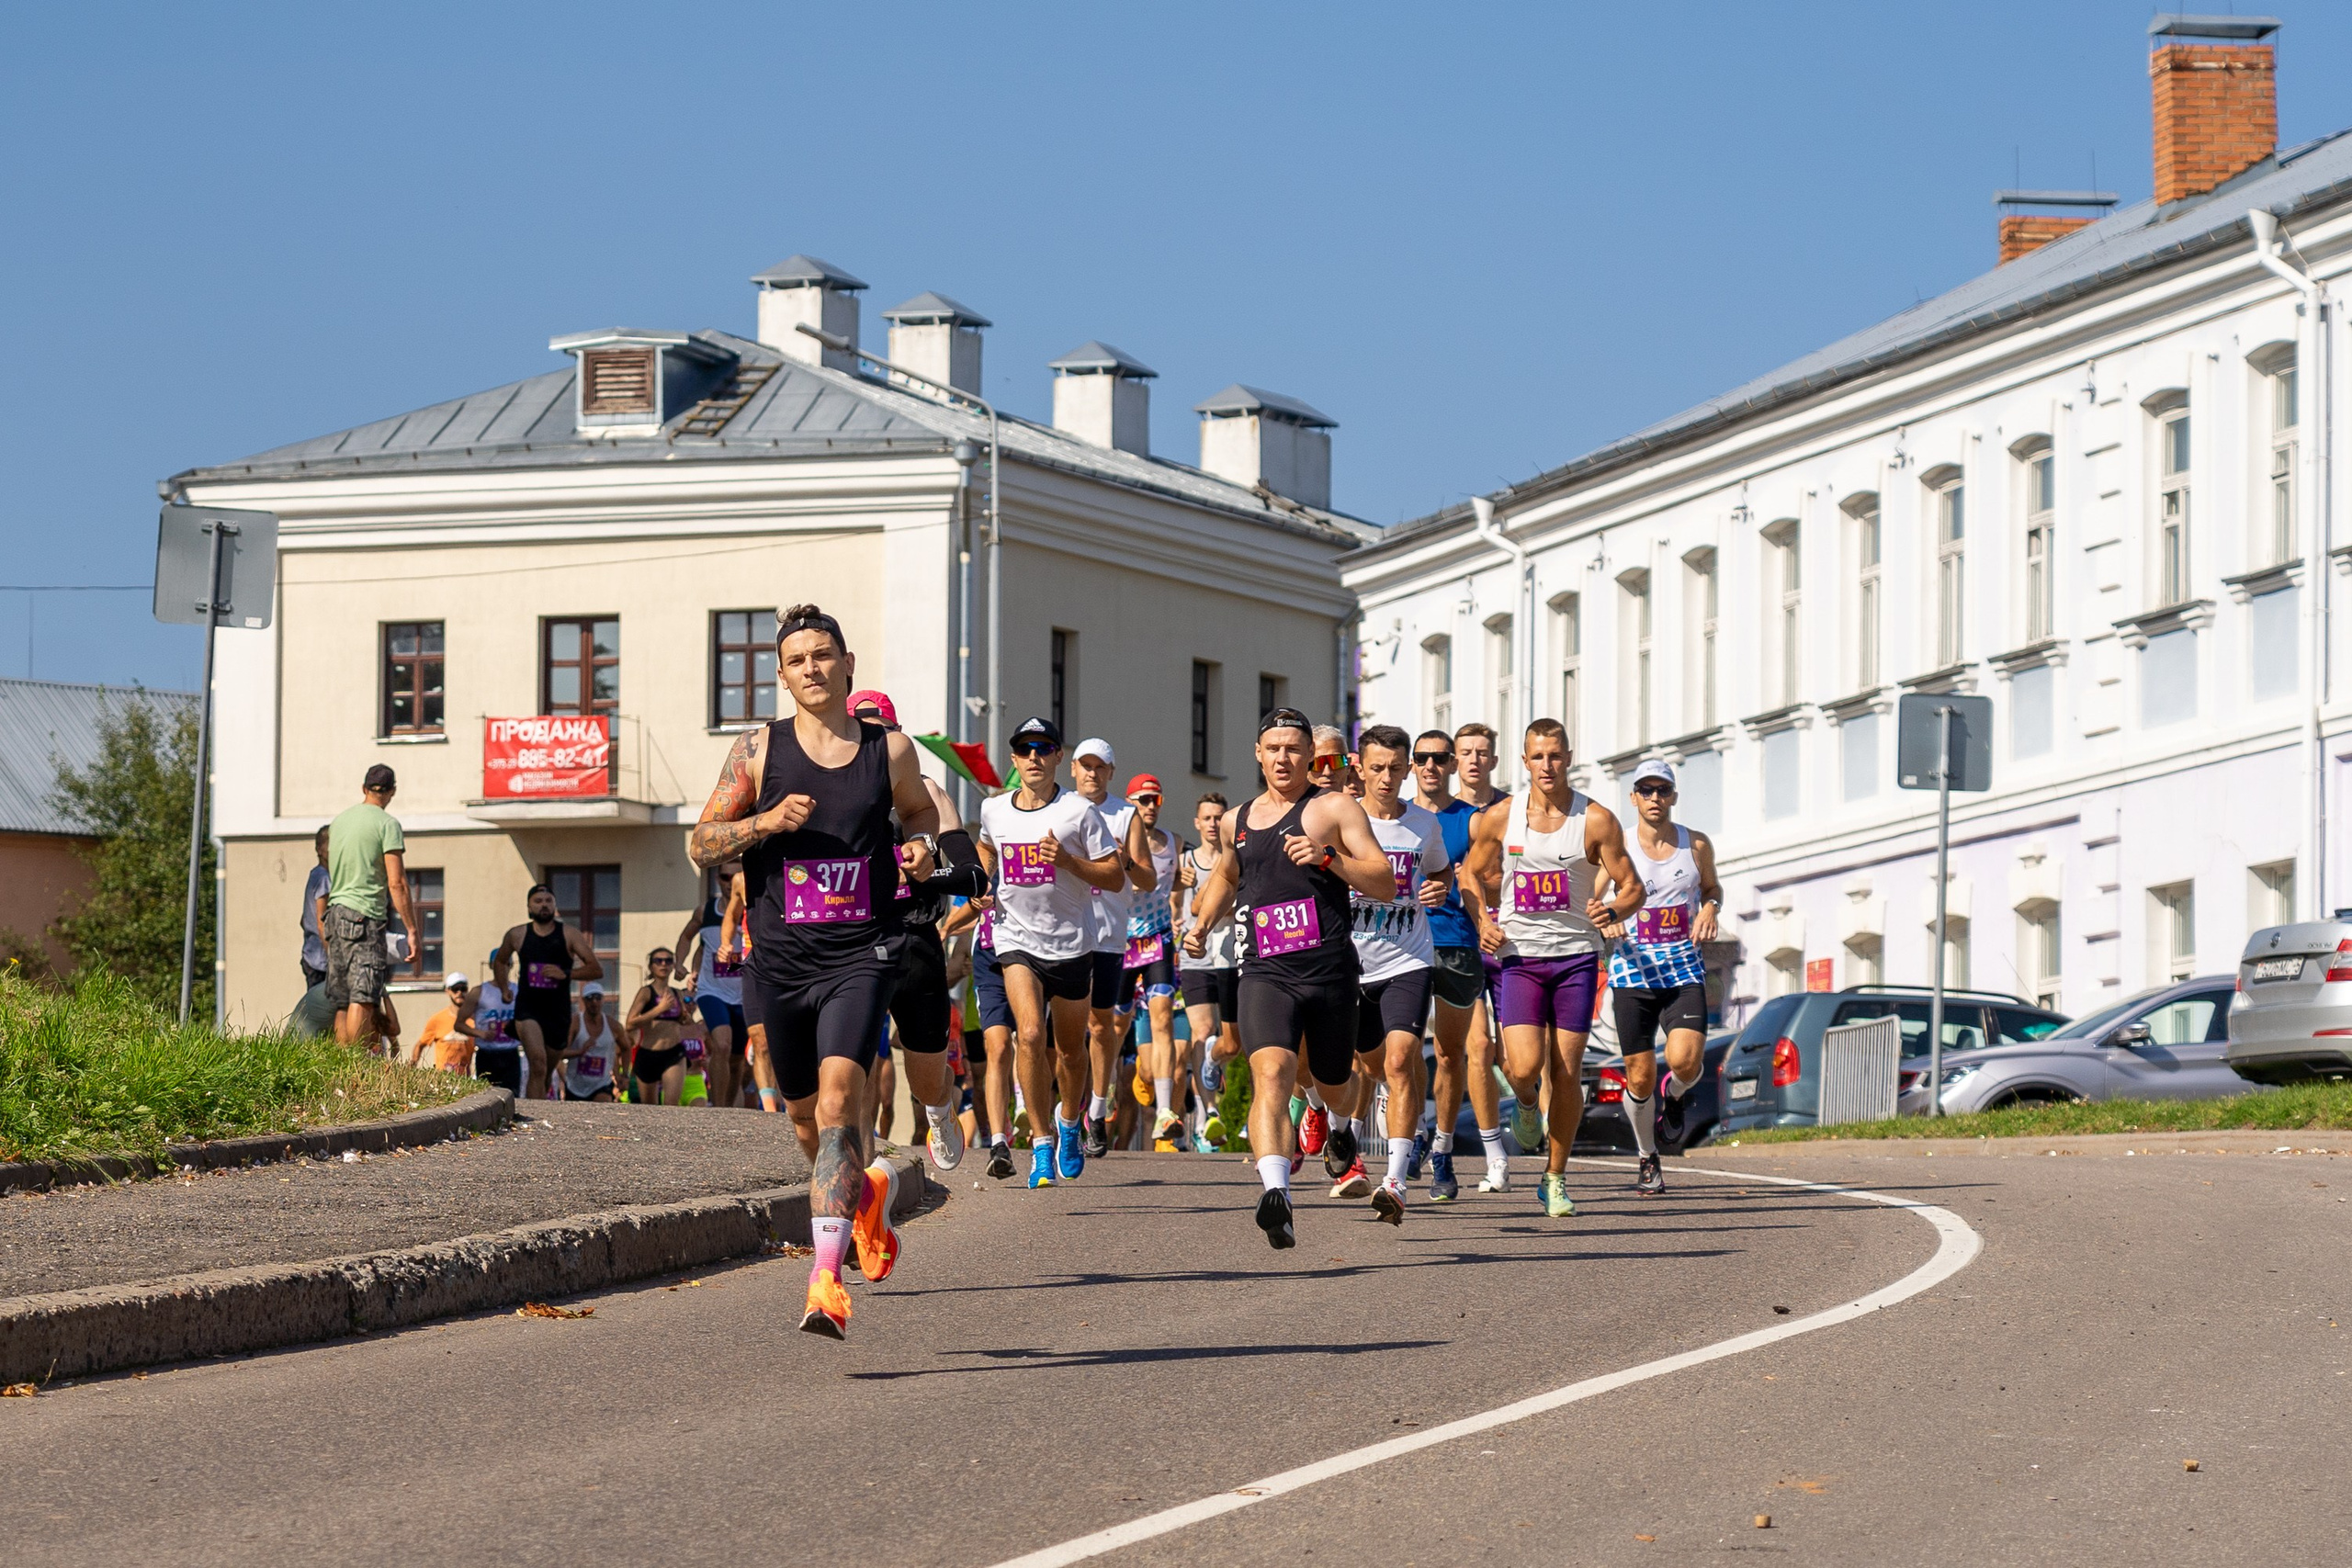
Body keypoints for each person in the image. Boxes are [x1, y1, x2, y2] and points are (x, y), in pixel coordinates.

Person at [688, 604, 942, 1340]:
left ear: (848, 662)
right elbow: (701, 842)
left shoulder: (887, 750)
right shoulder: (757, 752)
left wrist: (921, 850)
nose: (813, 669)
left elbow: (921, 814)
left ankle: (825, 1280)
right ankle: (863, 1196)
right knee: (804, 1122)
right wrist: (764, 823)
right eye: (798, 660)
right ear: (781, 674)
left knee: (838, 1106)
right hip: (780, 962)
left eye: (824, 655)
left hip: (861, 954)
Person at [1182, 707, 1398, 1250]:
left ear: (1310, 757)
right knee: (1273, 1071)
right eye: (1272, 748)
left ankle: (1341, 1127)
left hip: (1328, 972)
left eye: (1293, 749)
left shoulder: (1334, 808)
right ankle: (1276, 1192)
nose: (1282, 758)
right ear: (1258, 755)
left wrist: (1329, 859)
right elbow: (1229, 873)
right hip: (1264, 970)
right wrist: (1202, 923)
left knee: (1335, 1084)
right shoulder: (1237, 819)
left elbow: (1385, 883)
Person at [1459, 718, 1645, 1219]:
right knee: (1522, 1067)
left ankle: (1555, 1178)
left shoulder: (1597, 820)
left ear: (1568, 757)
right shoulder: (1502, 816)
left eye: (1556, 756)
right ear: (1524, 761)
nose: (1547, 765)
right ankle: (1522, 1102)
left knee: (1564, 1073)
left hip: (1575, 959)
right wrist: (1481, 919)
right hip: (1520, 957)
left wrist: (1615, 910)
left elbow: (1633, 887)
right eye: (1538, 756)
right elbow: (1470, 875)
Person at [977, 716, 1125, 1189]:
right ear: (1015, 759)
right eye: (1025, 750)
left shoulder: (1079, 812)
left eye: (1044, 748)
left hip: (1072, 944)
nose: (1035, 757)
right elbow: (986, 850)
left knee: (1070, 1052)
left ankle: (1068, 1122)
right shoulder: (994, 810)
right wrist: (981, 885)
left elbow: (1114, 876)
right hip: (1015, 939)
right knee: (1028, 1033)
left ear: (1059, 756)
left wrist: (1067, 861)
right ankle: (1041, 1144)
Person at [850, 688, 987, 1173]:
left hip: (915, 938)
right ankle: (861, 1171)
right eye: (863, 734)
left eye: (883, 734)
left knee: (926, 1074)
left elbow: (974, 876)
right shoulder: (836, 797)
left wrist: (931, 874)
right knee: (856, 1065)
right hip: (855, 942)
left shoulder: (927, 791)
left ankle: (939, 1110)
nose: (875, 746)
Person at [1343, 726, 1453, 1223]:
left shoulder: (1424, 825)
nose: (1386, 778)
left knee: (1400, 1060)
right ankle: (1361, 1124)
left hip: (1409, 958)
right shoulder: (1340, 821)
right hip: (1351, 962)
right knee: (1370, 1067)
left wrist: (1437, 889)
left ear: (1408, 769)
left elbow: (1439, 872)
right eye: (1377, 767)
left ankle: (1396, 1180)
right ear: (1360, 768)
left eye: (1395, 767)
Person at [1607, 760, 1724, 1194]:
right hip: (1632, 972)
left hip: (1681, 969)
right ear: (1633, 797)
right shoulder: (1617, 847)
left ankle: (1674, 1098)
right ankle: (1646, 1156)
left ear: (1674, 796)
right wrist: (1606, 919)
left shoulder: (1695, 845)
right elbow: (1591, 896)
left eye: (1663, 790)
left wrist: (1711, 907)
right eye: (1646, 790)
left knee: (1685, 1062)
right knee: (1638, 1078)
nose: (1655, 798)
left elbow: (1712, 889)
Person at [1070, 737, 1158, 1158]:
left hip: (1108, 934)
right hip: (1064, 932)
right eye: (1085, 766)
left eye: (1099, 767)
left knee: (1101, 1025)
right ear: (1072, 769)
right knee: (1063, 1029)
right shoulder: (1062, 808)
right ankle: (1069, 1110)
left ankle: (1099, 1109)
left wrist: (1123, 861)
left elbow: (1148, 880)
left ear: (1111, 773)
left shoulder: (1126, 815)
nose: (1091, 773)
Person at [1408, 730, 1486, 1201]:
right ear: (1413, 765)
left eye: (1440, 758)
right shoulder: (1398, 818)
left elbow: (1492, 879)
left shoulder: (1472, 821)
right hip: (1406, 945)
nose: (1431, 766)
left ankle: (1441, 1146)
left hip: (1458, 944)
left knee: (1449, 1054)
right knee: (1403, 1048)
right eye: (1423, 758)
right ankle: (1415, 1131)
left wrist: (1472, 885)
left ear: (1453, 765)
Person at [323, 765, 421, 1053]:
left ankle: (340, 1065)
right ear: (392, 791)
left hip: (335, 913)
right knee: (363, 995)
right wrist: (412, 929)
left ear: (364, 788)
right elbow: (397, 883)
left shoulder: (339, 822)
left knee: (342, 999)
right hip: (364, 916)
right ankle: (356, 1066)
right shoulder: (387, 824)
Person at [1114, 774, 1186, 1150]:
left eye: (1155, 800)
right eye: (1143, 800)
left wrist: (1183, 882)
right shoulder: (1115, 840)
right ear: (1129, 803)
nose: (1150, 806)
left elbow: (1186, 877)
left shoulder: (1174, 842)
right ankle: (1104, 1096)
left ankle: (1163, 1112)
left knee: (1162, 1017)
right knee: (1115, 1023)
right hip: (1122, 940)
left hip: (1159, 938)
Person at [496, 884, 603, 1100]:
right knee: (538, 1063)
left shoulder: (569, 934)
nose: (543, 905)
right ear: (529, 907)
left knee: (545, 1073)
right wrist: (504, 988)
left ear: (554, 906)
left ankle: (539, 1103)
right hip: (528, 1010)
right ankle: (532, 1119)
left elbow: (596, 969)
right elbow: (500, 960)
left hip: (558, 1012)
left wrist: (565, 973)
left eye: (548, 901)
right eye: (538, 901)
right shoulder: (517, 934)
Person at [1174, 793, 1238, 1149]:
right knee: (1202, 1029)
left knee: (1230, 1041)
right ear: (1197, 823)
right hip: (1196, 957)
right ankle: (1208, 1114)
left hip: (1232, 954)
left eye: (1219, 817)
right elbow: (1174, 903)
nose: (1214, 823)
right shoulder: (1186, 863)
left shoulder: (1238, 858)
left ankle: (1207, 1099)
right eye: (1208, 818)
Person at [673, 867, 745, 1111]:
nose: (730, 882)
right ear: (718, 879)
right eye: (726, 877)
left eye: (736, 876)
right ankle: (720, 1108)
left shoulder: (752, 910)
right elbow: (686, 937)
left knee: (737, 1061)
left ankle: (729, 1107)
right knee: (722, 1044)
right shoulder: (705, 912)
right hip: (711, 991)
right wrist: (679, 962)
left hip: (744, 994)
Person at [627, 949, 691, 1105]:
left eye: (668, 961)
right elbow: (630, 1023)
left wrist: (684, 1017)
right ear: (651, 966)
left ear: (673, 965)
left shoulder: (676, 993)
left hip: (673, 1053)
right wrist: (658, 1010)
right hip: (648, 1053)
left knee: (671, 1107)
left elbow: (683, 1021)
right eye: (658, 961)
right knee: (650, 1110)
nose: (664, 964)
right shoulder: (646, 992)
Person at [468, 947, 523, 1097]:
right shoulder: (479, 992)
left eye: (507, 964)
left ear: (511, 965)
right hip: (487, 1053)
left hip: (510, 1053)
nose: (503, 968)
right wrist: (480, 1033)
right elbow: (459, 1024)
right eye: (499, 964)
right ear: (492, 966)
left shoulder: (519, 992)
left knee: (513, 1098)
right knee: (487, 1098)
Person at [563, 982, 619, 1101]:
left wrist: (624, 1075)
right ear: (583, 1001)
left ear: (603, 1000)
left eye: (598, 998)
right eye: (590, 998)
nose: (594, 1002)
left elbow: (626, 1047)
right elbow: (561, 1052)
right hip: (576, 1086)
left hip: (601, 1084)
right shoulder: (575, 1022)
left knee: (602, 1108)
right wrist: (580, 1051)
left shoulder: (612, 1024)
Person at [410, 973, 474, 1074]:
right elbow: (420, 1044)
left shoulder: (474, 1021)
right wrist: (411, 1069)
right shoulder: (437, 1019)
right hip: (443, 1079)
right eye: (455, 989)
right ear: (448, 991)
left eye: (463, 989)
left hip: (465, 1081)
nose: (459, 992)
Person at [300, 827, 331, 992]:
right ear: (320, 849)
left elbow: (303, 920)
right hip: (320, 961)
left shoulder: (315, 874)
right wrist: (331, 956)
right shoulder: (324, 879)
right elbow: (321, 923)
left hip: (311, 954)